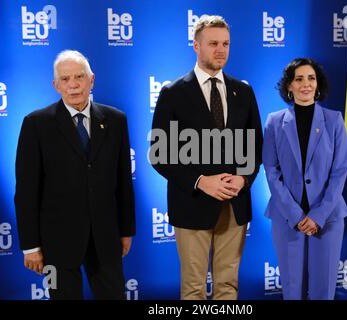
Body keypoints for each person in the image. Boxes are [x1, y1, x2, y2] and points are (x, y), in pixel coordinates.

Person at [150, 15, 263, 300]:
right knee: (193, 289)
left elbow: (255, 146)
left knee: (228, 287)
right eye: (213, 43)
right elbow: (159, 154)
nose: (221, 50)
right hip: (192, 203)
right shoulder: (173, 93)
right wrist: (200, 181)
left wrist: (243, 178)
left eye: (225, 43)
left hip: (235, 204)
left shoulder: (244, 92)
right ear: (196, 46)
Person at [14, 50, 135, 300]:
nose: (73, 85)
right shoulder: (36, 124)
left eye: (79, 76)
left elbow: (123, 182)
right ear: (55, 85)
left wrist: (126, 230)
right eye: (65, 79)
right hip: (55, 243)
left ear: (92, 80)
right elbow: (26, 191)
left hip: (106, 238)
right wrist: (30, 246)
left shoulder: (115, 120)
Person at [262, 58, 347, 300]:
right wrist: (296, 215)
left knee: (323, 290)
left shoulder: (334, 121)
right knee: (292, 290)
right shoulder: (274, 122)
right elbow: (270, 170)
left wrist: (319, 215)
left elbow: (340, 171)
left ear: (318, 85)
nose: (305, 84)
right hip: (287, 218)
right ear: (289, 86)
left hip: (328, 219)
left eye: (311, 78)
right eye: (298, 79)